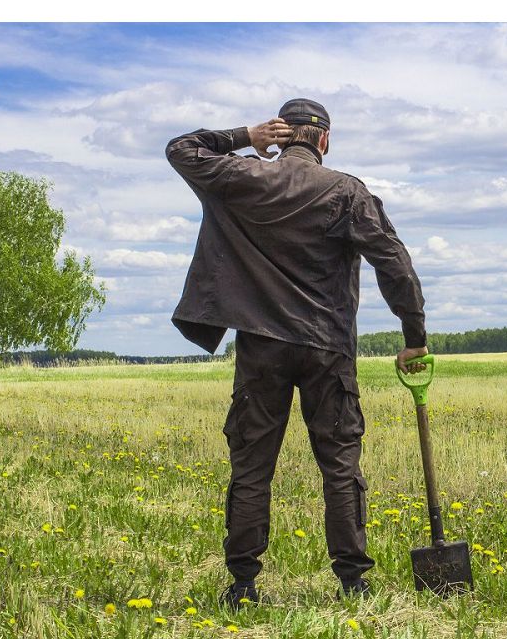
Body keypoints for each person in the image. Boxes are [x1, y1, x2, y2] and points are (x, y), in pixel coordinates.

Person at [165, 98, 428, 608]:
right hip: (327, 347)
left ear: (281, 135)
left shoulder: (243, 178)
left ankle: (242, 586)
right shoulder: (347, 191)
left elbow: (181, 149)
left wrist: (245, 135)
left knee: (252, 466)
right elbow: (394, 263)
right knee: (340, 464)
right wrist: (413, 334)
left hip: (261, 346)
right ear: (325, 140)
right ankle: (353, 582)